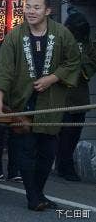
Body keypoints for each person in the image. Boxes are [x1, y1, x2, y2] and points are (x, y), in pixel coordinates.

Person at [0, 0, 80, 212]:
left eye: (36, 7)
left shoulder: (62, 34)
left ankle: (38, 193)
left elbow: (73, 60)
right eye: (28, 7)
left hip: (51, 103)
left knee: (48, 152)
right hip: (23, 102)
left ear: (48, 11)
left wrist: (52, 78)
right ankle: (33, 197)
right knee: (26, 150)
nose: (31, 11)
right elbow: (3, 68)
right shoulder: (15, 35)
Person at [55, 11, 96, 181]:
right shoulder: (59, 40)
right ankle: (64, 166)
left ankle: (65, 164)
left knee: (74, 133)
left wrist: (80, 64)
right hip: (62, 93)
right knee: (64, 132)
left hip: (79, 95)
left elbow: (92, 63)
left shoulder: (89, 44)